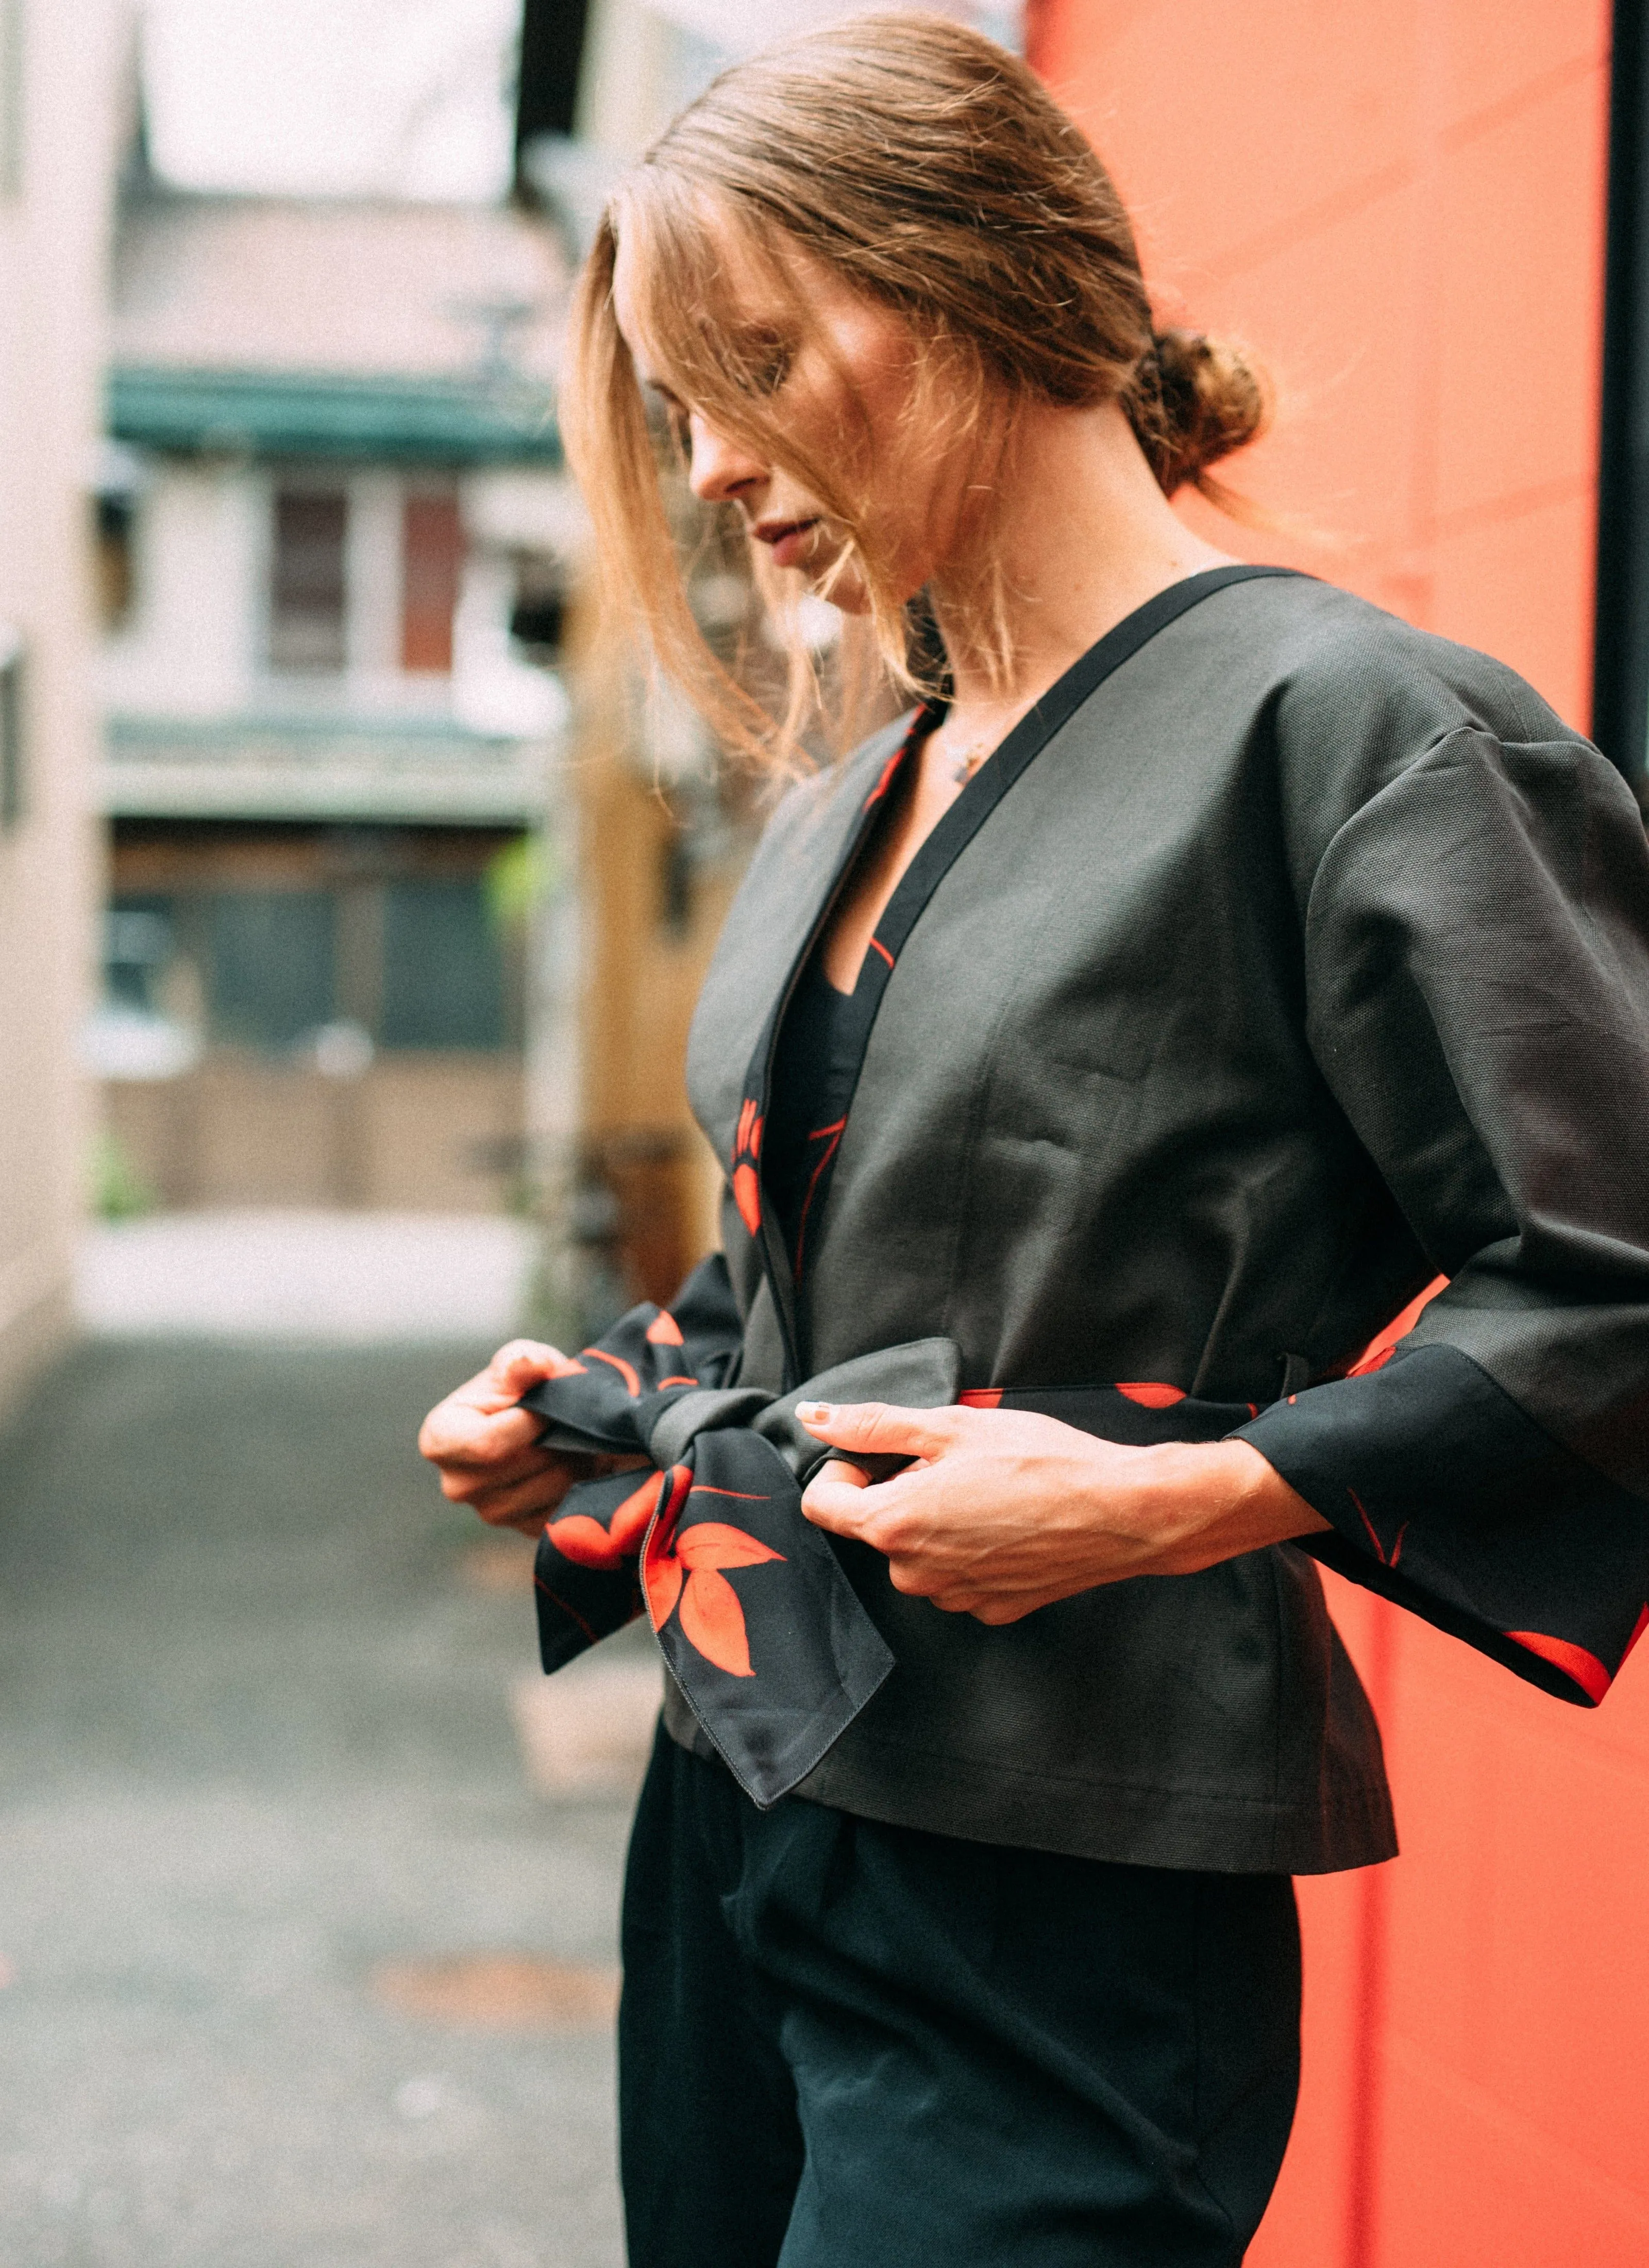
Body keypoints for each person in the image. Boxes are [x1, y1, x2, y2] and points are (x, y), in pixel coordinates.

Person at [418, 15, 1649, 2264]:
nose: (704, 466)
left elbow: (1615, 1268)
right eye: (674, 403)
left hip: (1065, 1876)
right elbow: (815, 1280)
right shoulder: (856, 777)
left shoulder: (1350, 728)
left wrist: (1189, 1496)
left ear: (969, 270)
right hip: (742, 1786)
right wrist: (598, 1403)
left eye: (753, 361)